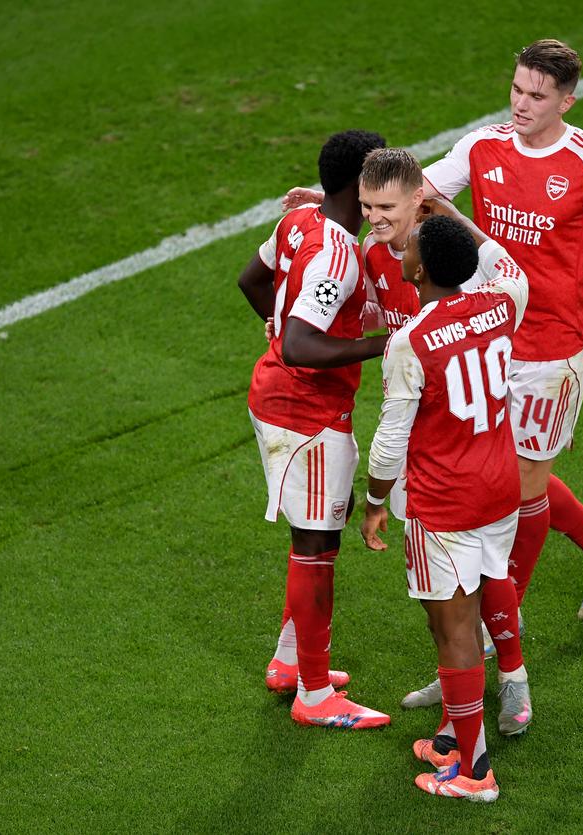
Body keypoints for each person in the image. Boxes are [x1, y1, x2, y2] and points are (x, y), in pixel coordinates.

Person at [420, 38, 583, 620]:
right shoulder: (482, 146)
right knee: (499, 473)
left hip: (555, 350)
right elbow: (416, 195)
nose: (521, 104)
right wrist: (339, 201)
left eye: (537, 96)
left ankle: (499, 625)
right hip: (487, 337)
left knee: (521, 488)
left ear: (567, 102)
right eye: (516, 89)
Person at [357, 150, 531, 735]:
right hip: (497, 477)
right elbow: (510, 268)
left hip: (443, 489)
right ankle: (480, 694)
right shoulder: (502, 301)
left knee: (452, 624)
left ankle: (468, 748)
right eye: (368, 206)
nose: (382, 224)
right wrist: (457, 219)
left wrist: (374, 500)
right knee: (485, 581)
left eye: (388, 209)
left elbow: (389, 439)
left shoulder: (413, 338)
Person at [238, 129, 391, 729]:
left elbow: (251, 280)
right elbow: (302, 345)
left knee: (317, 534)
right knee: (316, 545)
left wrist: (277, 330)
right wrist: (386, 344)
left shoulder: (298, 220)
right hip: (306, 412)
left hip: (279, 397)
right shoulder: (337, 255)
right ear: (360, 184)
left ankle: (289, 663)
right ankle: (314, 693)